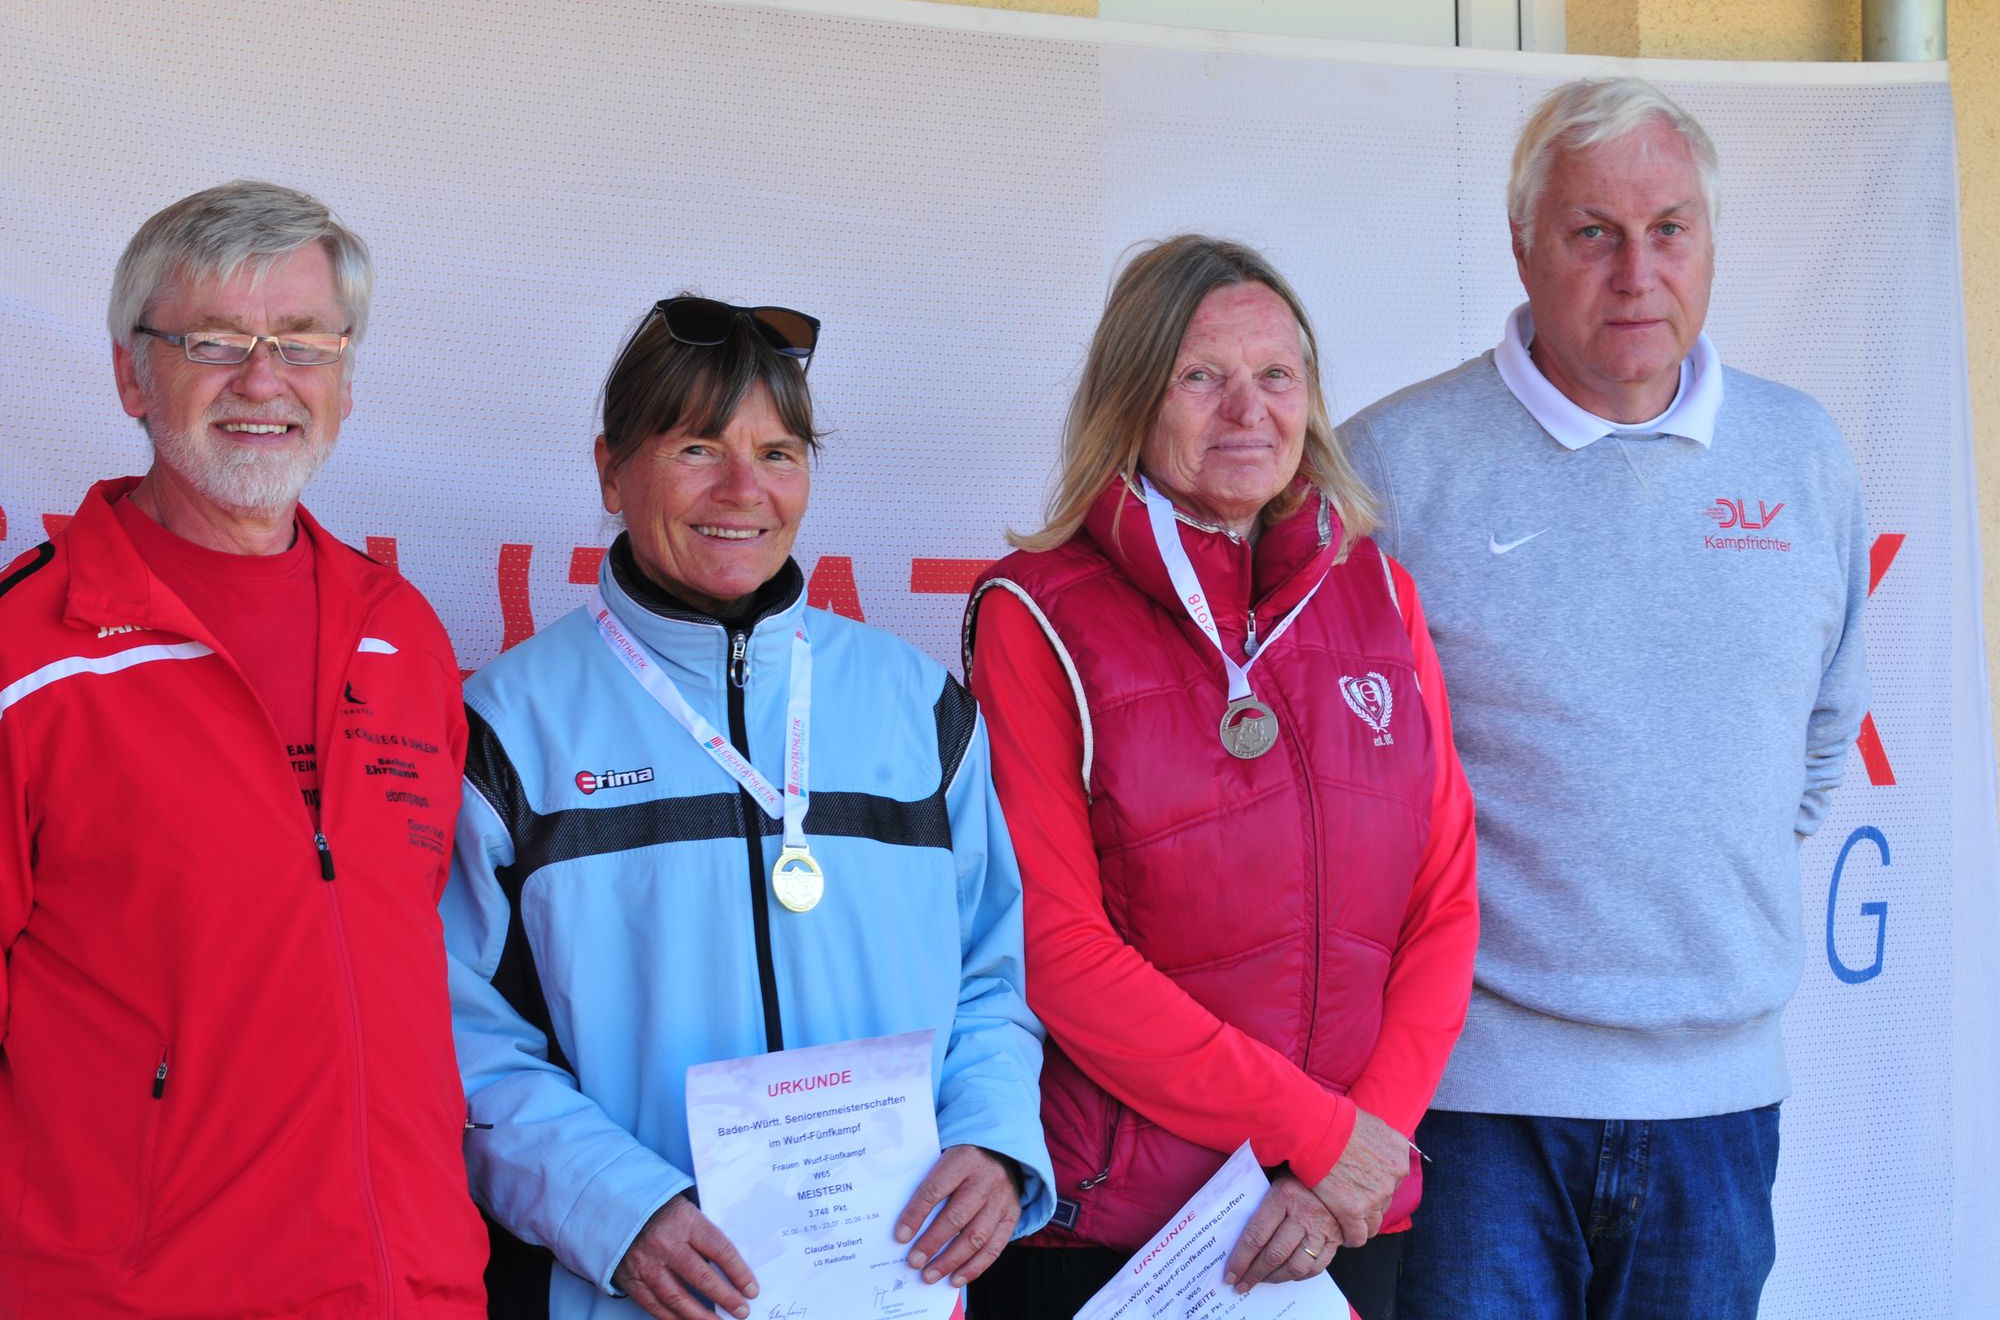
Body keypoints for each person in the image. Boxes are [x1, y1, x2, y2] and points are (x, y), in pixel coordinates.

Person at [1340, 79, 1871, 1320]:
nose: (1636, 272)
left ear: (1708, 241)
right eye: (1592, 232)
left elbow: (1818, 737)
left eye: (1668, 229)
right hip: (1470, 1108)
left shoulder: (1800, 454)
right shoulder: (1391, 467)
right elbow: (1346, 787)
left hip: (1717, 1104)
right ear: (1520, 243)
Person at [443, 294, 1054, 1320]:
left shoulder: (918, 709)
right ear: (610, 469)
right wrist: (614, 1208)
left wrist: (990, 1140)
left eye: (777, 453)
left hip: (893, 1288)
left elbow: (997, 977)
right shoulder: (510, 725)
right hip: (642, 1292)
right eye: (696, 447)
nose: (743, 490)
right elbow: (460, 1032)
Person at [962, 236, 1479, 1320]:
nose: (1248, 409)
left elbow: (1441, 907)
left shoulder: (1381, 596)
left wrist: (1354, 1156)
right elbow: (1052, 947)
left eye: (1276, 374)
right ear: (1132, 398)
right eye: (1201, 376)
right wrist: (1318, 1135)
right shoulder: (1034, 611)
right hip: (1120, 1234)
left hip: (1338, 1219)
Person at [0, 182, 486, 1313]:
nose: (264, 382)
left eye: (304, 343)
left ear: (345, 382)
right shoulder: (28, 656)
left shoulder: (402, 633)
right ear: (133, 376)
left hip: (413, 1289)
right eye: (215, 341)